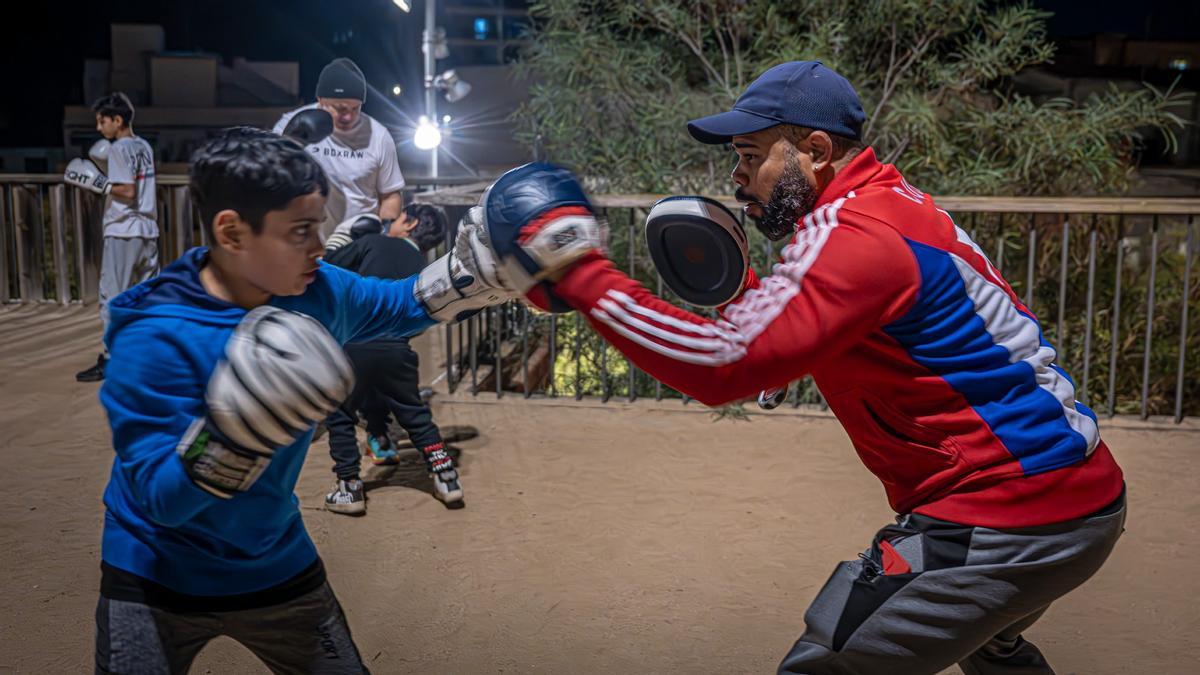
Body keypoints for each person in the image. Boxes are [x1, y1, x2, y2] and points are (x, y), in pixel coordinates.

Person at [481, 61, 1127, 675]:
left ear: (815, 151)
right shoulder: (888, 207)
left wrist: (579, 272)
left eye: (751, 155)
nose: (738, 177)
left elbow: (722, 363)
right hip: (1073, 496)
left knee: (829, 661)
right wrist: (748, 295)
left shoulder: (858, 235)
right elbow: (849, 334)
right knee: (992, 646)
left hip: (1011, 513)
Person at [93, 127, 509, 673]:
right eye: (300, 232)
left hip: (274, 561)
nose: (319, 246)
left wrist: (482, 273)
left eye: (319, 226)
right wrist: (241, 427)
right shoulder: (152, 331)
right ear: (233, 232)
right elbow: (160, 501)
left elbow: (401, 303)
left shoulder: (320, 290)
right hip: (151, 574)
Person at [321, 203, 464, 514]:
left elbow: (328, 264)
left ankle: (349, 488)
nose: (389, 223)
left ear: (410, 223)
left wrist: (342, 239)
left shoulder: (374, 242)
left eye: (397, 219)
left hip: (353, 343)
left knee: (341, 414)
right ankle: (446, 477)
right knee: (414, 413)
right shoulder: (424, 265)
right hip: (397, 348)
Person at [67, 92, 159, 382]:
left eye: (101, 121)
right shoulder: (144, 146)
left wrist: (98, 183)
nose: (98, 128)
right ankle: (147, 357)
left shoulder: (119, 148)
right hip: (148, 232)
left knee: (112, 297)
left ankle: (110, 360)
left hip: (123, 231)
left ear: (117, 121)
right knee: (146, 297)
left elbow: (127, 191)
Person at [272, 58, 405, 237]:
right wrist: (290, 143)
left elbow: (390, 194)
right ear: (320, 100)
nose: (348, 117)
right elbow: (271, 176)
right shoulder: (292, 125)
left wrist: (385, 232)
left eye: (355, 109)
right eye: (340, 109)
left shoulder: (378, 135)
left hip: (357, 243)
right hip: (305, 240)